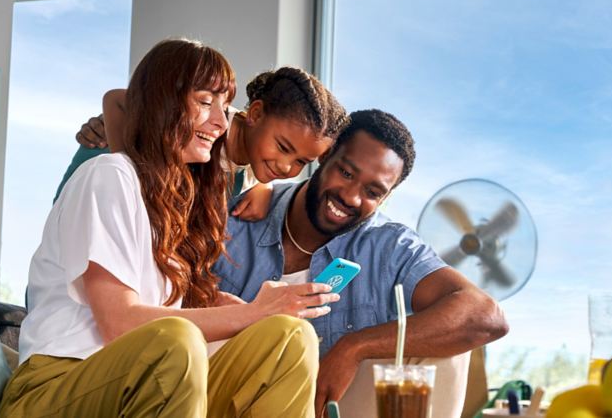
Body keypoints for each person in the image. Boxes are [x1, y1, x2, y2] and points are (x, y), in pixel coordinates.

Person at [0, 39, 340, 418]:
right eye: (206, 103)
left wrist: (239, 308)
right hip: (57, 386)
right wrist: (252, 314)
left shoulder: (184, 200)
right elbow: (122, 323)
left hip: (145, 376)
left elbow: (166, 311)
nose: (221, 123)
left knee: (288, 339)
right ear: (165, 99)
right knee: (175, 341)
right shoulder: (110, 175)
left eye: (225, 108)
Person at [212, 109, 510, 417]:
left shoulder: (390, 246)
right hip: (233, 394)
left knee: (449, 353)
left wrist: (354, 348)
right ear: (324, 156)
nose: (352, 197)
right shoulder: (238, 215)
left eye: (373, 192)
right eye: (347, 173)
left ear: (385, 199)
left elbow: (485, 316)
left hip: (327, 403)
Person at [56, 66, 349, 220]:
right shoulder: (203, 126)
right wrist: (129, 172)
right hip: (81, 235)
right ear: (256, 113)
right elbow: (118, 98)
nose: (287, 166)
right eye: (284, 148)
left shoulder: (246, 173)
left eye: (301, 162)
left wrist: (265, 186)